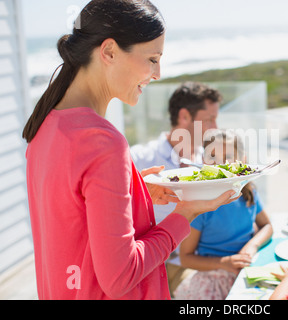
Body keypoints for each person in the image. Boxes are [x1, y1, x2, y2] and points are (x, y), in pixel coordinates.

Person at [22, 0, 235, 300]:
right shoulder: (102, 141)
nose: (158, 73)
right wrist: (183, 215)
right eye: (152, 58)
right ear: (108, 51)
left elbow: (72, 222)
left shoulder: (45, 127)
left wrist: (136, 192)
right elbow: (121, 277)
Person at [173, 129, 273, 300]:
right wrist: (224, 263)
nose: (219, 163)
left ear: (243, 160)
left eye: (227, 156)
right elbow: (185, 258)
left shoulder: (249, 192)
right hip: (213, 277)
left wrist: (253, 245)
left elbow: (267, 226)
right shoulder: (200, 204)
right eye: (212, 156)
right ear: (204, 161)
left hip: (246, 270)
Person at [130, 81, 222, 224]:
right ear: (184, 116)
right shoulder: (137, 159)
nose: (215, 128)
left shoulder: (211, 161)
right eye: (210, 119)